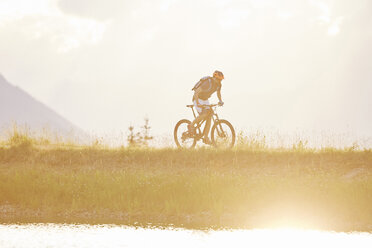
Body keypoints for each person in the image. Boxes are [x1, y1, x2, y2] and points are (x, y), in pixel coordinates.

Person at [188, 70, 225, 144]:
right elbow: (196, 92)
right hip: (197, 98)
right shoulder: (207, 83)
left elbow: (218, 93)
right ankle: (191, 125)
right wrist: (198, 103)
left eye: (221, 80)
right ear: (214, 77)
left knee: (210, 116)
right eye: (218, 79)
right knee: (204, 114)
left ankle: (206, 137)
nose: (219, 81)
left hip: (205, 99)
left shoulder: (219, 85)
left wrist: (220, 101)